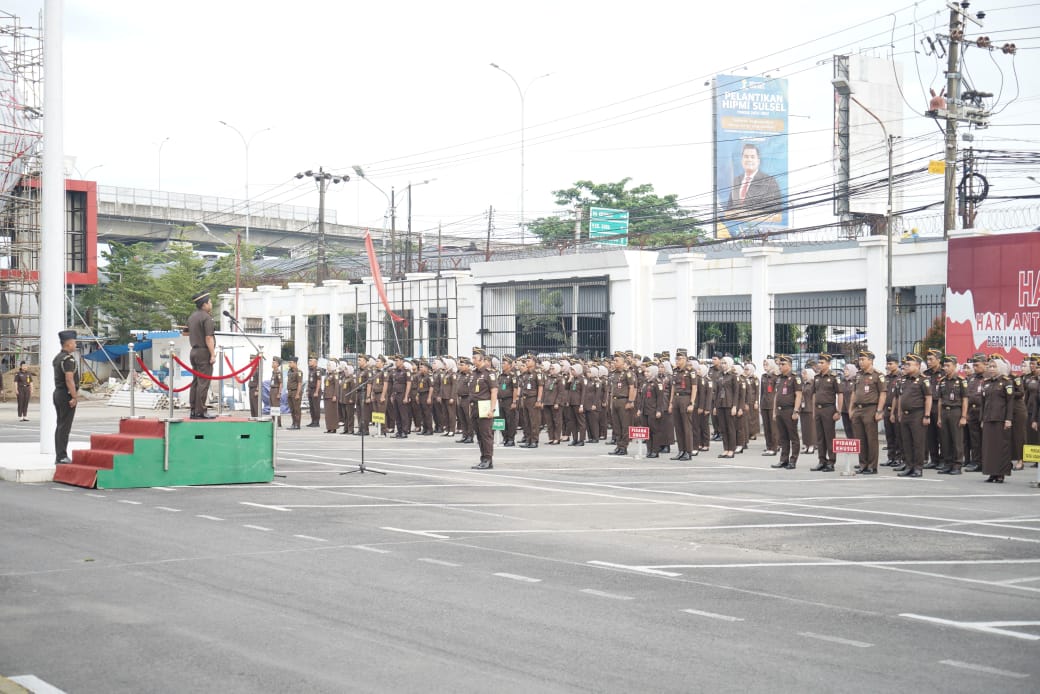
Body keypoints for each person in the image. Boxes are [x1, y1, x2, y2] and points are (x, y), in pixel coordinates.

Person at [849, 350, 886, 475]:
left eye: (863, 359)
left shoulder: (878, 375)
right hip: (858, 409)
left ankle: (872, 466)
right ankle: (862, 464)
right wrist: (851, 408)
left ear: (870, 360)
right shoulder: (858, 375)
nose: (860, 362)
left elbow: (883, 393)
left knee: (871, 439)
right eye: (859, 359)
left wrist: (879, 410)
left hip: (870, 409)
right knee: (860, 439)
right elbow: (854, 393)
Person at [894, 354, 931, 477]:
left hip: (917, 414)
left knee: (918, 443)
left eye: (909, 364)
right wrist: (899, 413)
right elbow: (900, 397)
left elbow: (928, 398)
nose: (906, 366)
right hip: (905, 415)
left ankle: (918, 468)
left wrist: (926, 415)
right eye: (906, 364)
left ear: (918, 366)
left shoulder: (923, 380)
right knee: (907, 442)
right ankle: (909, 466)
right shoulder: (904, 379)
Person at [981, 355, 1014, 483]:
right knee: (989, 447)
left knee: (1001, 447)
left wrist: (1008, 419)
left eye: (994, 366)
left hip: (1001, 418)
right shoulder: (987, 383)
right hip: (988, 418)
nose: (991, 368)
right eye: (990, 366)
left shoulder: (1006, 382)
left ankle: (1000, 473)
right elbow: (983, 402)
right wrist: (982, 419)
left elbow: (1010, 402)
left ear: (1000, 368)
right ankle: (991, 472)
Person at [936, 355, 969, 474]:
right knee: (945, 440)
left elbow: (965, 399)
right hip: (945, 412)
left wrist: (964, 417)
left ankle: (957, 465)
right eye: (944, 365)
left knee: (957, 440)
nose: (945, 368)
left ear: (955, 366)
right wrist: (939, 417)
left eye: (948, 365)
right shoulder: (942, 381)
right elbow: (939, 400)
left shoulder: (961, 381)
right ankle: (948, 463)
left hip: (956, 411)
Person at [727, 143, 782, 213]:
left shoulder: (770, 181)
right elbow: (729, 210)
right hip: (735, 223)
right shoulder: (736, 181)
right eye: (746, 157)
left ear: (758, 161)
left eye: (752, 157)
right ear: (742, 160)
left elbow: (776, 210)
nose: (749, 160)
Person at [810, 353, 843, 472]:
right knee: (820, 437)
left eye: (822, 362)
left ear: (829, 364)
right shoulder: (816, 377)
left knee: (829, 437)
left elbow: (840, 394)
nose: (819, 364)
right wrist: (814, 410)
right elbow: (814, 394)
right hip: (818, 409)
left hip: (829, 409)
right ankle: (822, 460)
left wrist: (838, 411)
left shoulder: (834, 377)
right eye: (819, 362)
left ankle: (831, 461)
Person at [186, 291, 216, 419]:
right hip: (204, 351)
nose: (211, 304)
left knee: (195, 382)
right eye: (209, 302)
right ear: (204, 304)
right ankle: (201, 411)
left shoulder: (192, 317)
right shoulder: (206, 317)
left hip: (193, 351)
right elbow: (209, 337)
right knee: (203, 382)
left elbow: (185, 333)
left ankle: (193, 409)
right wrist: (212, 354)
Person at [53, 330, 80, 465]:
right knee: (64, 427)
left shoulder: (58, 357)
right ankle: (61, 456)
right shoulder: (68, 359)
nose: (75, 345)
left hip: (58, 393)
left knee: (60, 425)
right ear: (69, 344)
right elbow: (69, 379)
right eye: (74, 343)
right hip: (66, 395)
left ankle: (60, 455)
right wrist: (74, 396)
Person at [771, 355, 801, 469]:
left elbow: (798, 395)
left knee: (793, 437)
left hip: (789, 411)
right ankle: (783, 459)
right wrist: (774, 411)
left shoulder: (795, 378)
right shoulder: (779, 378)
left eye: (783, 364)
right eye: (780, 364)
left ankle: (793, 460)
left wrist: (796, 411)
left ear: (789, 365)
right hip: (779, 411)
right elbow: (776, 396)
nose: (780, 366)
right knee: (783, 437)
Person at [470, 347, 498, 470]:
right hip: (475, 406)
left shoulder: (489, 373)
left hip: (485, 406)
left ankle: (488, 459)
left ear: (481, 359)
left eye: (475, 358)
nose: (473, 360)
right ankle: (483, 459)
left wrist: (492, 409)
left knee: (486, 434)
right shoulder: (474, 373)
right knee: (479, 435)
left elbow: (494, 391)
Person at [286, 356, 303, 429]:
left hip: (295, 391)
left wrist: (297, 394)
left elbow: (299, 383)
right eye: (289, 362)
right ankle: (293, 423)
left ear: (295, 363)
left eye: (290, 362)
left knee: (296, 409)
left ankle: (297, 424)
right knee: (292, 409)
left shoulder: (299, 372)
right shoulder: (289, 371)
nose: (289, 364)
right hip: (290, 392)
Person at [306, 355, 322, 427]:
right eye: (309, 360)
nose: (309, 362)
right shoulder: (311, 370)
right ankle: (313, 420)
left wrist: (316, 391)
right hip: (310, 390)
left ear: (315, 362)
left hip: (316, 390)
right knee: (311, 407)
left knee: (316, 407)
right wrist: (307, 390)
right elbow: (309, 381)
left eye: (310, 361)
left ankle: (317, 421)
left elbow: (319, 381)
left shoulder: (317, 370)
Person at [269, 356, 283, 427]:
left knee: (276, 406)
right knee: (272, 406)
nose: (272, 363)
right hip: (272, 390)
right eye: (272, 362)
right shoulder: (273, 372)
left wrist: (279, 393)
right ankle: (274, 421)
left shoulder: (278, 372)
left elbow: (281, 383)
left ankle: (278, 422)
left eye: (274, 362)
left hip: (276, 390)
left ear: (277, 364)